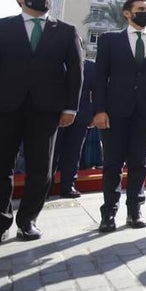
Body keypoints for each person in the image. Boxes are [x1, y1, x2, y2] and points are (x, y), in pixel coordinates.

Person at [0, 0, 83, 247]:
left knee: (41, 169)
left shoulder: (66, 31)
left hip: (46, 111)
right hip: (1, 109)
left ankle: (28, 221)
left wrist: (71, 107)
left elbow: (76, 74)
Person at [93, 0, 146, 232]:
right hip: (115, 111)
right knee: (112, 164)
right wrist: (99, 110)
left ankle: (135, 210)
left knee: (139, 163)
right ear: (127, 13)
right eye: (140, 9)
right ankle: (109, 213)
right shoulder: (109, 40)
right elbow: (100, 78)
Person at [53, 57, 95, 198]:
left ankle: (68, 185)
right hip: (54, 116)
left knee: (73, 152)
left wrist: (94, 114)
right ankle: (45, 186)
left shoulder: (89, 66)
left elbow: (97, 91)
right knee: (51, 153)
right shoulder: (54, 62)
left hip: (80, 117)